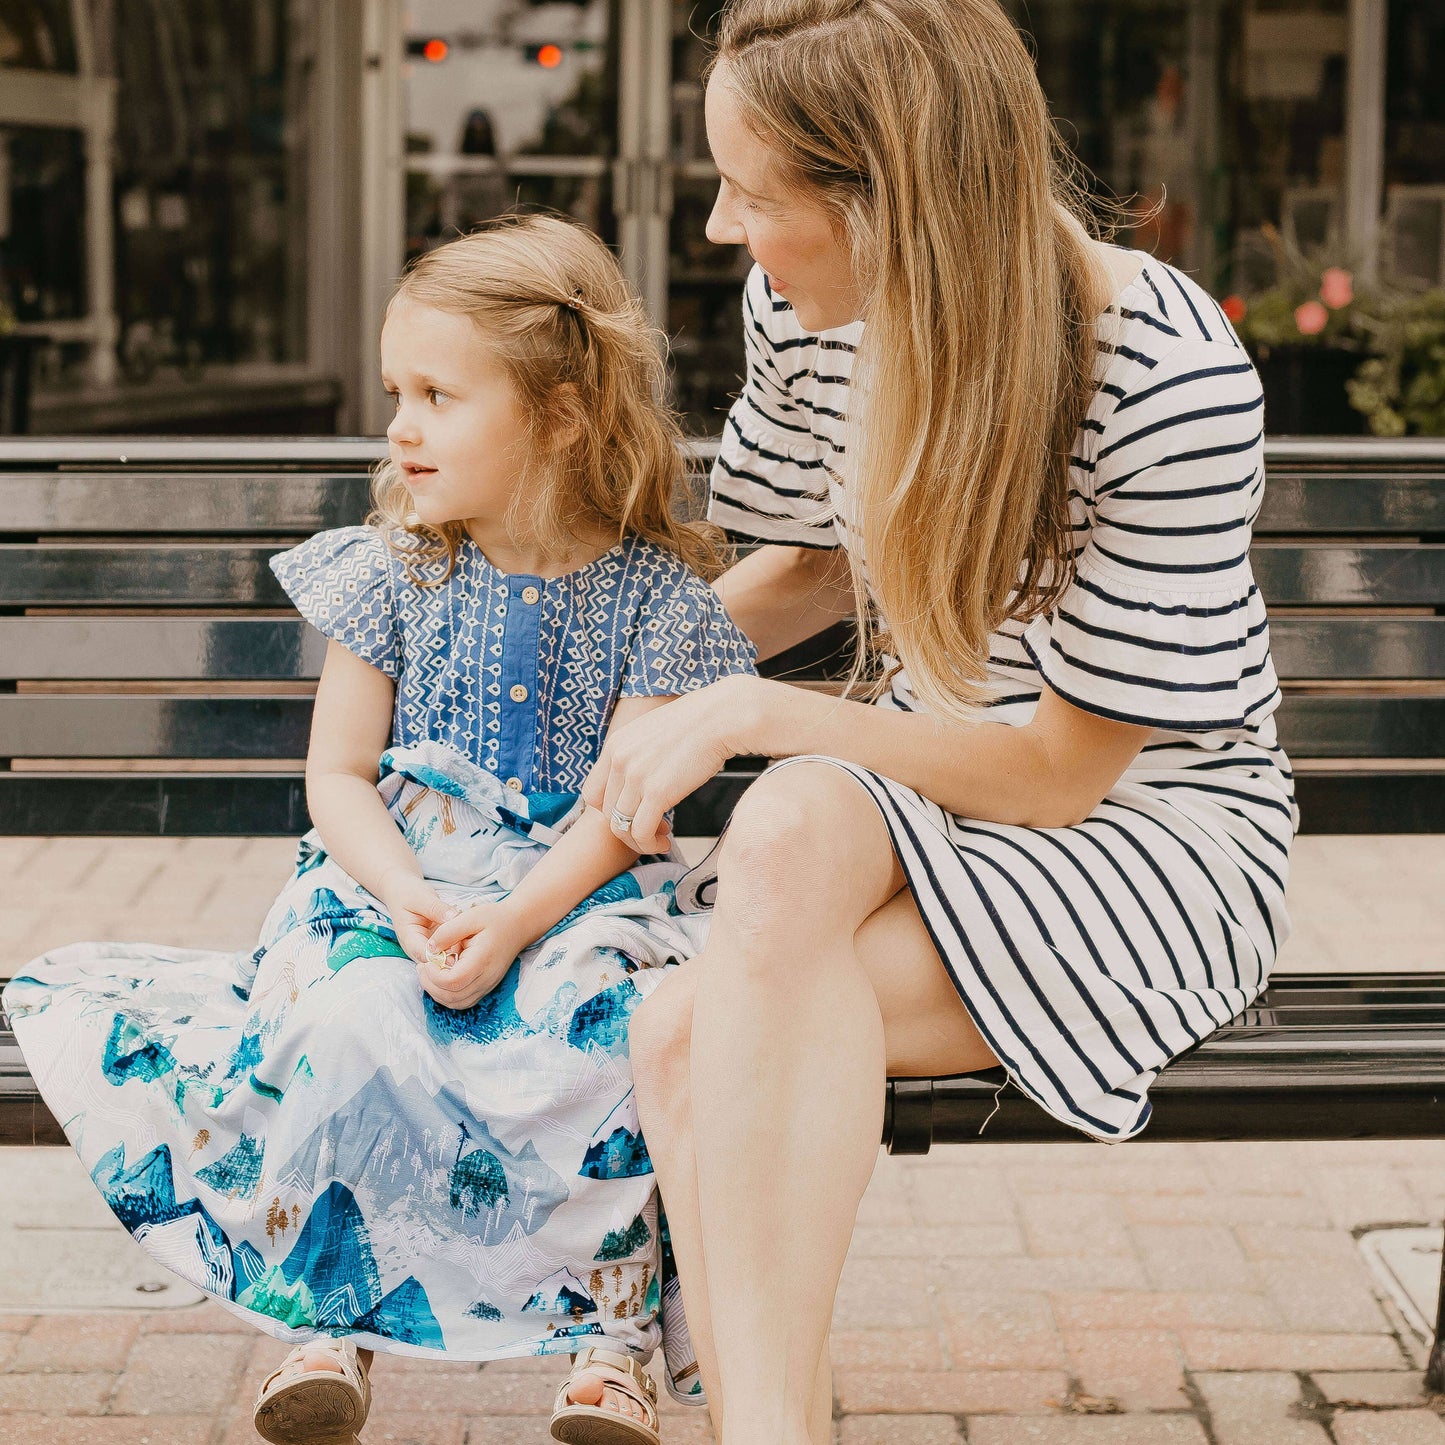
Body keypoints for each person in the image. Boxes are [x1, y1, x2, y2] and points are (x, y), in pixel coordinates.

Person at [562, 3, 1297, 1443]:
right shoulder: (811, 310)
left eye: (757, 195)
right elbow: (806, 569)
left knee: (683, 1022)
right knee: (778, 841)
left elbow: (1054, 772)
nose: (723, 230)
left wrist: (760, 712)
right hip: (913, 802)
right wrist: (582, 670)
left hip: (1148, 835)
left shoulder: (1165, 372)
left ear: (889, 198)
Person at [3, 214, 755, 1445]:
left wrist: (516, 918)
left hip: (576, 888)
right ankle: (325, 1311)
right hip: (393, 872)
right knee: (349, 1008)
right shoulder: (394, 571)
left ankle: (604, 1331)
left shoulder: (655, 600)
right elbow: (338, 776)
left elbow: (628, 815)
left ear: (560, 415)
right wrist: (405, 891)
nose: (400, 424)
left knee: (603, 1028)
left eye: (438, 395)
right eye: (397, 391)